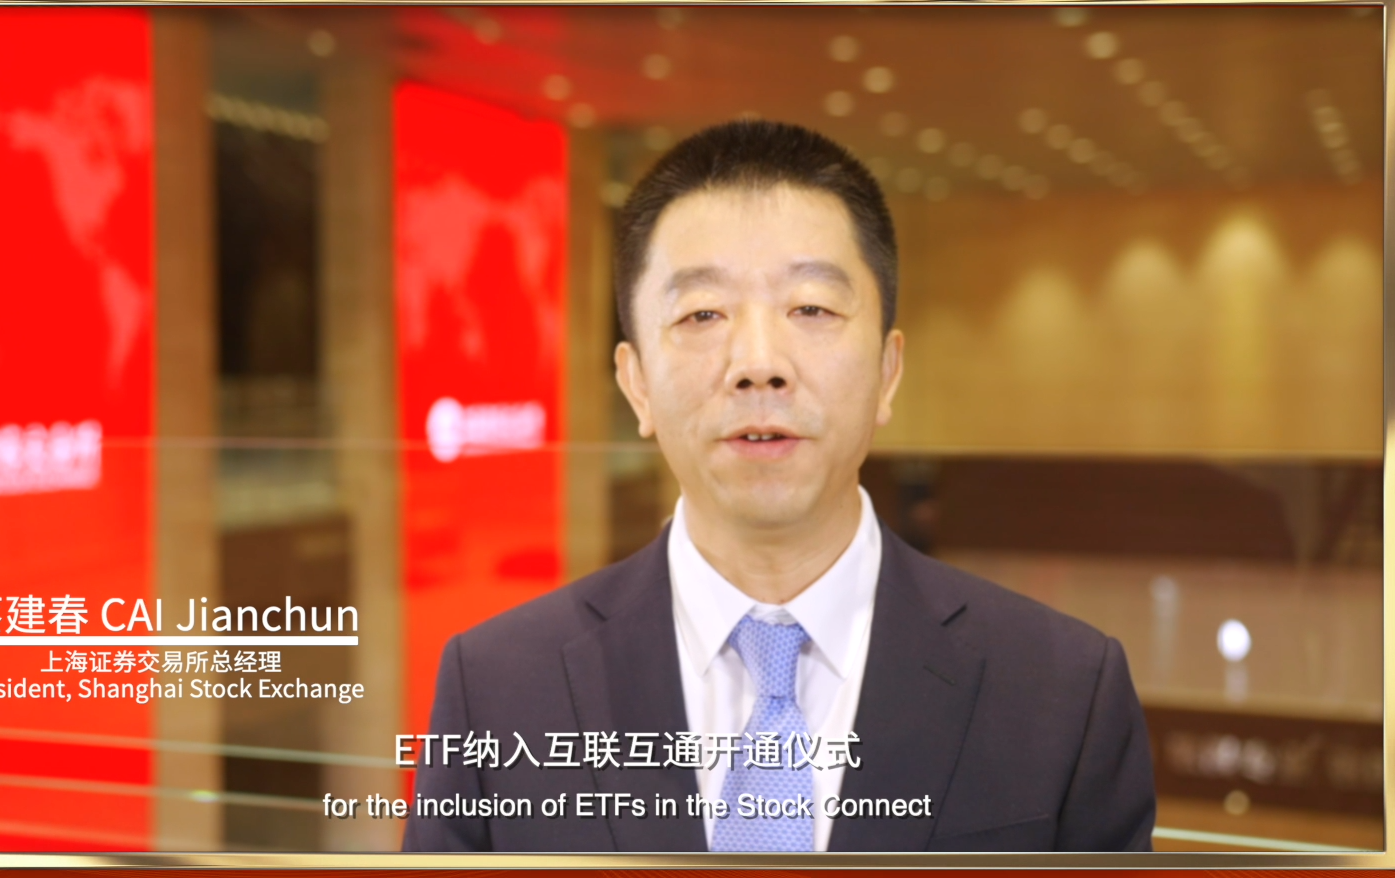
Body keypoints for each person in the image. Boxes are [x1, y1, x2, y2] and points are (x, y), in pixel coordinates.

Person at [401, 120, 1156, 853]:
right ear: (636, 386)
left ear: (888, 370)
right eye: (702, 313)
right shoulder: (497, 687)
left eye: (811, 308)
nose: (758, 363)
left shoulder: (1062, 691)